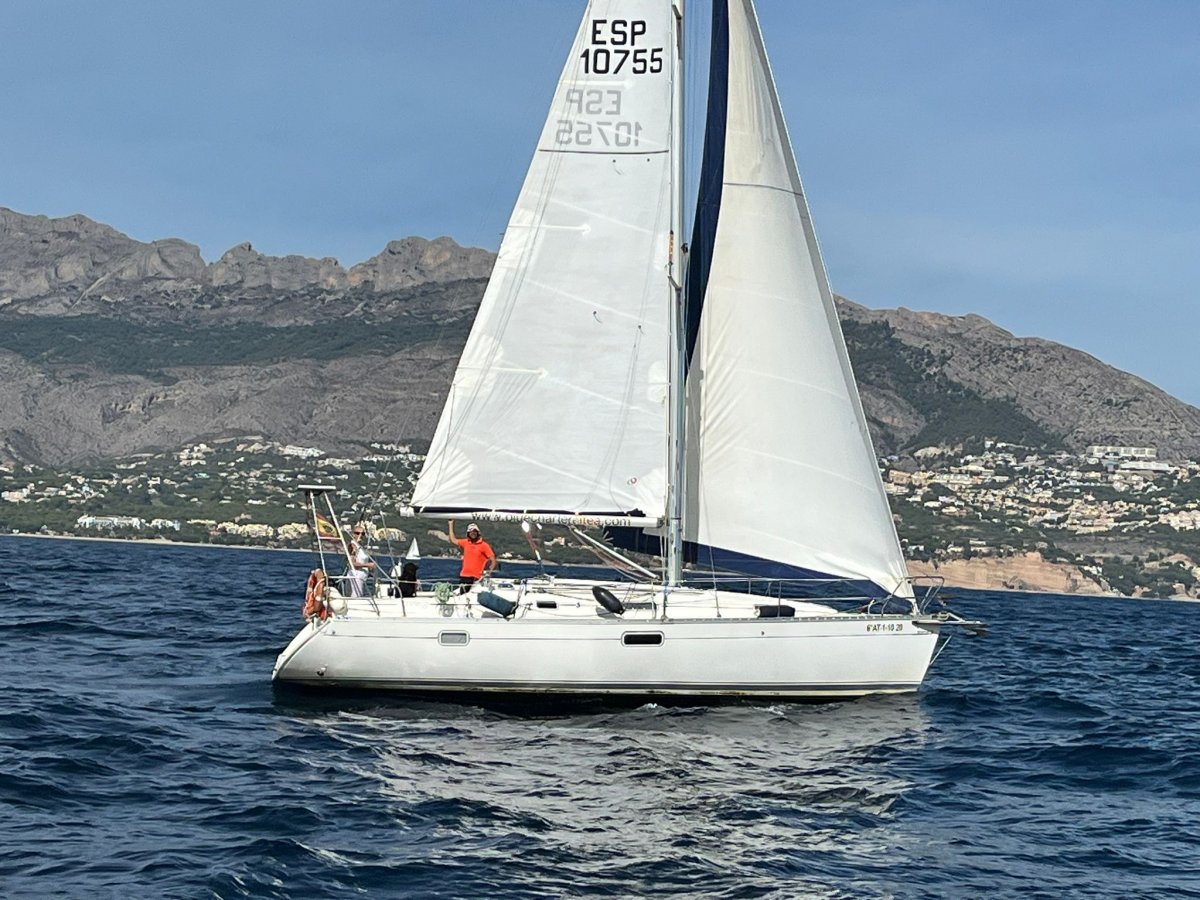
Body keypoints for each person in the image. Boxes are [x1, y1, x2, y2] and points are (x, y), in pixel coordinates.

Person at [449, 520, 495, 593]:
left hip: (475, 577)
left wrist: (489, 572)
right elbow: (453, 540)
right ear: (468, 533)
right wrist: (450, 524)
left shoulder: (484, 545)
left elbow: (493, 560)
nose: (473, 533)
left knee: (468, 595)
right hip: (464, 575)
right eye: (471, 531)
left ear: (478, 533)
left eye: (474, 531)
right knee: (462, 595)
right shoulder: (466, 542)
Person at [345, 526, 376, 597]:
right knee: (356, 598)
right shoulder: (353, 546)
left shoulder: (360, 547)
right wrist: (368, 565)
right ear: (353, 534)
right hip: (356, 577)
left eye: (363, 534)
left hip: (362, 577)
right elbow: (352, 564)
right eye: (357, 533)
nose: (360, 535)